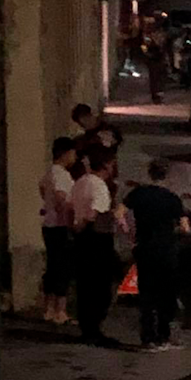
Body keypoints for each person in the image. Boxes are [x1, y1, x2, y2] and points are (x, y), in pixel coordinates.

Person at [118, 160, 189, 351]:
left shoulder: (138, 193)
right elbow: (185, 227)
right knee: (166, 293)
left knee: (146, 293)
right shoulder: (172, 198)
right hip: (166, 250)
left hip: (145, 247)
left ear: (149, 173)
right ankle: (163, 336)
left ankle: (147, 337)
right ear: (166, 175)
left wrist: (128, 231)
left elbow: (119, 213)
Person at [71, 146, 121, 347]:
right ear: (107, 165)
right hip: (97, 239)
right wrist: (84, 225)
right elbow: (94, 214)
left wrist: (74, 228)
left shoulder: (81, 182)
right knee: (100, 285)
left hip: (81, 239)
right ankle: (94, 328)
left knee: (84, 284)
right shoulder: (99, 186)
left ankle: (86, 327)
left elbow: (68, 207)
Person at [39, 137, 77, 324]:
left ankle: (48, 309)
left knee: (53, 267)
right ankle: (60, 311)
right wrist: (72, 221)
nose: (75, 157)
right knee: (62, 268)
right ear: (66, 153)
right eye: (73, 153)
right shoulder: (61, 174)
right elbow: (63, 200)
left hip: (49, 224)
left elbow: (42, 191)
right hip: (60, 226)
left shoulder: (49, 173)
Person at [71, 104, 123, 197]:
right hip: (92, 175)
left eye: (84, 120)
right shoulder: (83, 139)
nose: (83, 124)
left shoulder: (107, 129)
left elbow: (113, 141)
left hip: (106, 172)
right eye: (80, 123)